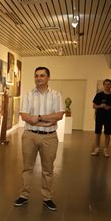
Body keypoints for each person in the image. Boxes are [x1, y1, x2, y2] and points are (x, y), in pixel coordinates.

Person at [14, 67, 65, 211]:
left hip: (49, 137)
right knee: (27, 167)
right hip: (30, 136)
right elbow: (25, 116)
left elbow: (59, 115)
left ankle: (47, 197)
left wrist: (39, 117)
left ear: (48, 77)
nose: (39, 78)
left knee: (48, 169)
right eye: (36, 76)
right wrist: (48, 120)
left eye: (42, 75)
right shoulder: (28, 95)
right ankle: (24, 195)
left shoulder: (56, 95)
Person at [91, 79, 111, 157]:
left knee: (107, 134)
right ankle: (96, 148)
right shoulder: (99, 95)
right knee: (98, 133)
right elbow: (94, 106)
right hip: (99, 116)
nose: (107, 86)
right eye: (105, 84)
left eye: (109, 84)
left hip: (108, 117)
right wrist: (100, 106)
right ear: (103, 85)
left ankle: (106, 150)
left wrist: (109, 107)